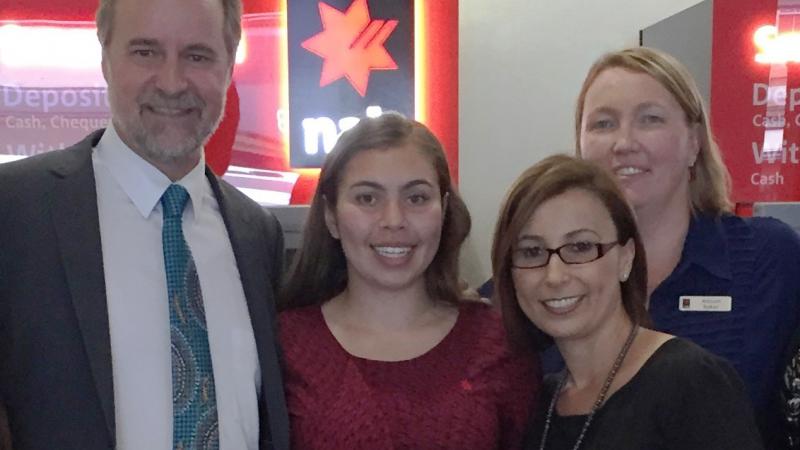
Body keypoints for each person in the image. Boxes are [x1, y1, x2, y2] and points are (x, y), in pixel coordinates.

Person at [0, 0, 289, 448]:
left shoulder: (258, 236)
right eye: (145, 52)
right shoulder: (16, 211)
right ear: (105, 59)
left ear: (229, 66)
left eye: (197, 55)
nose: (172, 83)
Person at [574, 46, 800, 446]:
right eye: (603, 123)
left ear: (694, 142)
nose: (623, 142)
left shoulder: (770, 258)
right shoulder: (549, 276)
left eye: (650, 119)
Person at [278, 113, 538, 449]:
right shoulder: (285, 344)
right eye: (367, 198)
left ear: (443, 210)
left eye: (416, 198)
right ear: (331, 216)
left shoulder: (500, 346)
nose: (394, 220)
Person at [492, 154, 763, 449]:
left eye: (581, 247)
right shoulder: (538, 401)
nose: (554, 275)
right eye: (531, 252)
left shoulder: (690, 381)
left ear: (626, 257)